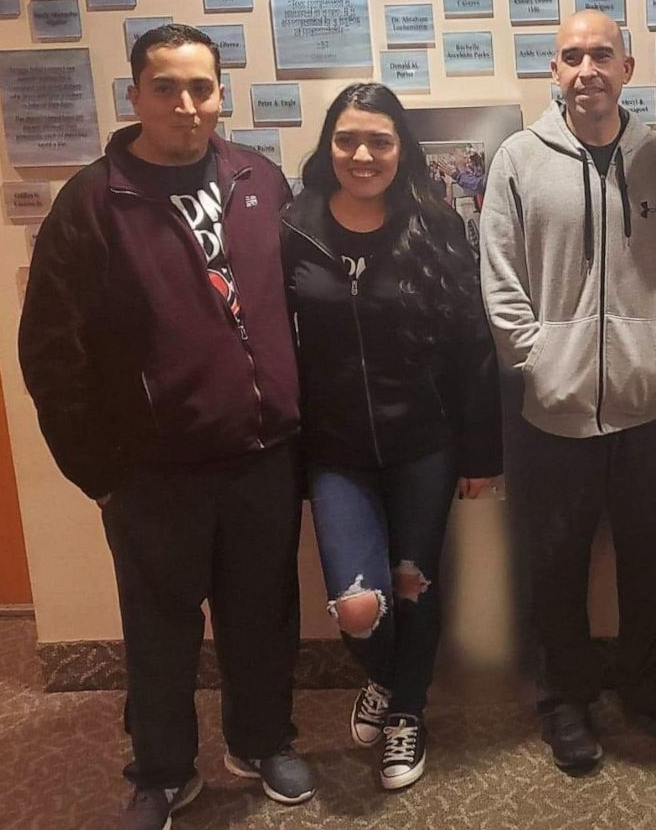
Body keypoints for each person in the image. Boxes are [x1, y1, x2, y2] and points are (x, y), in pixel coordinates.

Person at [17, 23, 315, 830]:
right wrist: (100, 470)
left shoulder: (261, 180)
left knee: (264, 617)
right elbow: (51, 347)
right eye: (165, 89)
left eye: (201, 88)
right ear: (135, 96)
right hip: (152, 471)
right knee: (159, 631)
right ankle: (162, 770)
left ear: (221, 93)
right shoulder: (96, 199)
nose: (186, 106)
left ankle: (260, 741)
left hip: (261, 456)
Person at [479, 10, 656, 773]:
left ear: (628, 68)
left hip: (647, 410)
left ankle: (645, 683)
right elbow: (500, 285)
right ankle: (564, 698)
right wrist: (543, 363)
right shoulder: (517, 159)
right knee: (555, 563)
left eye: (601, 55)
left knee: (651, 560)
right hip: (550, 412)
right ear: (554, 70)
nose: (586, 70)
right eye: (571, 56)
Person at [280, 83, 502, 791]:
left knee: (413, 586)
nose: (362, 154)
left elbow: (472, 345)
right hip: (334, 450)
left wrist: (480, 452)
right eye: (347, 139)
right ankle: (386, 676)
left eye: (378, 139)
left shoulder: (437, 226)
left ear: (400, 149)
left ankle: (406, 710)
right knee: (357, 606)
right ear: (328, 145)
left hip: (424, 446)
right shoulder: (293, 227)